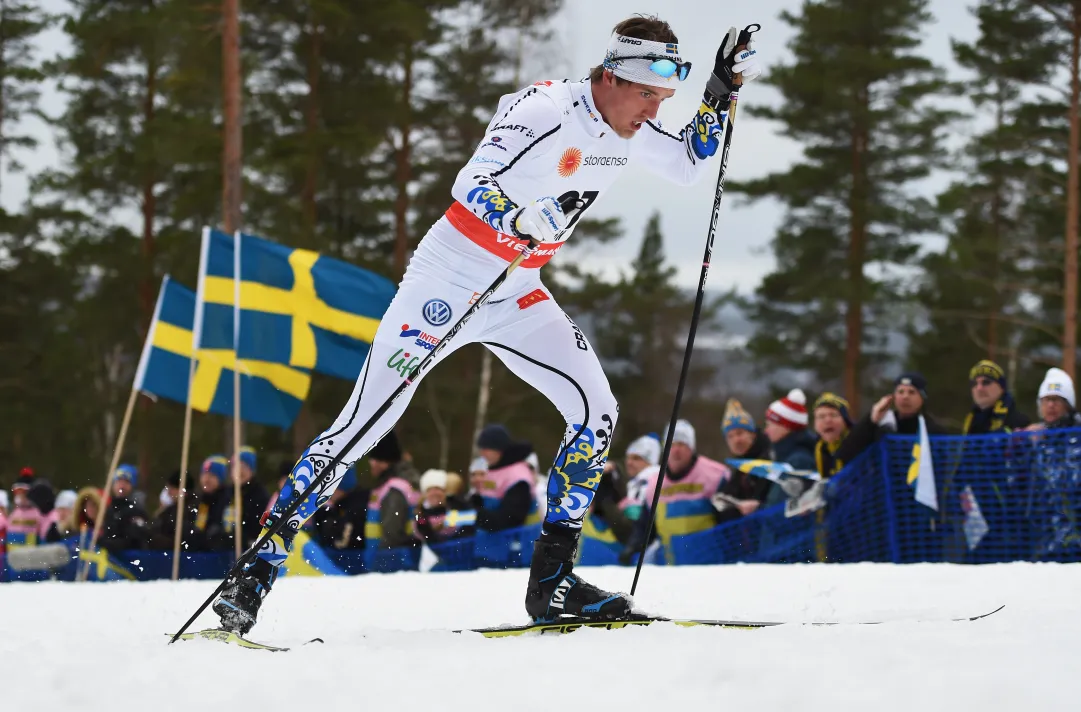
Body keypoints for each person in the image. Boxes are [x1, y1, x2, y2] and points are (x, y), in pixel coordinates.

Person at [213, 14, 764, 634]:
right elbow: (470, 180)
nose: (653, 109)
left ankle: (552, 585)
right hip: (447, 281)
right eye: (648, 95)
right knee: (365, 424)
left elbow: (691, 161)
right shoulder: (545, 110)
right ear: (611, 77)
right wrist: (520, 219)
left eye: (664, 98)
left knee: (596, 411)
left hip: (516, 292)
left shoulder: (628, 124)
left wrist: (719, 91)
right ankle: (251, 578)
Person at [963, 360, 1030, 435]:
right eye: (974, 383)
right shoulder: (970, 420)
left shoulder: (1018, 422)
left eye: (986, 382)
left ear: (1001, 388)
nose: (979, 388)